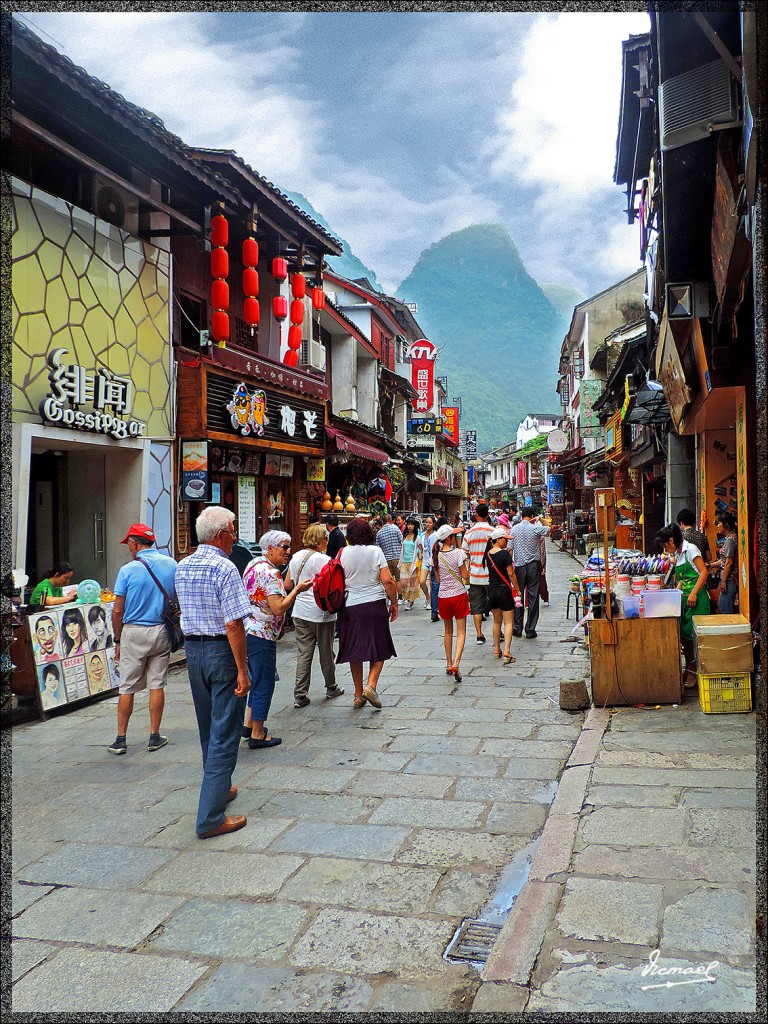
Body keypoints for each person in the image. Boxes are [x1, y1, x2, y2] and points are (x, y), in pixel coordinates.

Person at [175, 506, 252, 839]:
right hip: (221, 650)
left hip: (193, 651)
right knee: (225, 730)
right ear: (221, 535)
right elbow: (234, 623)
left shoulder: (183, 565)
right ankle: (210, 817)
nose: (234, 537)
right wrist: (242, 669)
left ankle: (219, 787)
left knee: (208, 725)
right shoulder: (225, 567)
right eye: (232, 530)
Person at [108, 523, 177, 756]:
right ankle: (154, 735)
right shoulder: (171, 564)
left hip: (134, 631)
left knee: (127, 686)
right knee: (157, 683)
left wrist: (117, 640)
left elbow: (117, 611)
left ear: (134, 543)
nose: (129, 548)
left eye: (129, 544)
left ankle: (121, 739)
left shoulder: (128, 570)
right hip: (161, 630)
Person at [242, 530, 314, 745]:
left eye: (289, 546)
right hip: (261, 633)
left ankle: (249, 725)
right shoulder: (272, 573)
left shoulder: (253, 564)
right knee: (264, 683)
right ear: (270, 548)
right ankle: (257, 734)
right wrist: (298, 590)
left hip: (248, 630)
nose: (288, 552)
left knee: (257, 679)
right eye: (284, 546)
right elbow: (278, 608)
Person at [338, 517, 399, 708]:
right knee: (379, 647)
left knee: (354, 650)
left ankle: (358, 695)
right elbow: (388, 580)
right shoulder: (375, 551)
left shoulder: (342, 553)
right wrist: (394, 602)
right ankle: (370, 685)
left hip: (350, 606)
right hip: (374, 604)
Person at [284, 523, 345, 709]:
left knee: (304, 653)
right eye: (325, 538)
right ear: (320, 541)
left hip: (300, 612)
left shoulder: (295, 557)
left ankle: (300, 694)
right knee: (326, 652)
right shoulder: (324, 560)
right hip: (321, 612)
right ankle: (331, 686)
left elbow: (288, 584)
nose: (327, 541)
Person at [657, 522, 710, 688]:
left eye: (666, 544)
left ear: (672, 540)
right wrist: (673, 593)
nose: (665, 549)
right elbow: (682, 579)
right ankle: (689, 667)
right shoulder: (679, 554)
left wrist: (693, 592)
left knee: (696, 639)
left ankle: (696, 671)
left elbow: (703, 572)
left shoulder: (691, 549)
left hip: (697, 600)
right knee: (686, 639)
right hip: (684, 601)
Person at [433, 524, 469, 681]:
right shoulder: (458, 554)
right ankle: (456, 663)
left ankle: (448, 663)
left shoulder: (435, 556)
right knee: (461, 632)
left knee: (448, 631)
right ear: (449, 538)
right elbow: (465, 576)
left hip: (443, 596)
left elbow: (439, 579)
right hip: (459, 595)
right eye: (454, 535)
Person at [510, 508, 550, 639]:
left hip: (519, 566)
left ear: (521, 515)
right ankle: (530, 629)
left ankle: (517, 627)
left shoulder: (514, 529)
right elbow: (549, 528)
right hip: (533, 566)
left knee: (518, 596)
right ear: (532, 516)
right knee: (533, 596)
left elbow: (510, 549)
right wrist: (540, 518)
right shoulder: (535, 528)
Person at [484, 528, 521, 664]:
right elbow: (511, 574)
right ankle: (507, 651)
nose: (507, 541)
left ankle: (496, 650)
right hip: (504, 590)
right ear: (498, 539)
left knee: (496, 621)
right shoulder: (505, 554)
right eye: (505, 539)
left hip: (492, 590)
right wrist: (517, 589)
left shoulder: (488, 554)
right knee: (508, 622)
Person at [461, 502, 494, 644]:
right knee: (495, 604)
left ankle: (479, 635)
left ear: (476, 515)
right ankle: (498, 630)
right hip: (491, 574)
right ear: (487, 515)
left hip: (475, 575)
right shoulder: (493, 532)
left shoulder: (469, 533)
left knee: (476, 606)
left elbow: (464, 554)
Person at [711, 512, 738, 614]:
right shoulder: (730, 538)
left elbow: (729, 562)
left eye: (719, 523)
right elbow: (724, 561)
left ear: (726, 524)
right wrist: (712, 565)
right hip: (729, 579)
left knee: (725, 609)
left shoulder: (730, 540)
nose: (717, 526)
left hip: (729, 580)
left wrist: (723, 581)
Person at [397, 518, 423, 609]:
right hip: (404, 562)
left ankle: (410, 601)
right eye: (408, 524)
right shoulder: (404, 536)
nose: (410, 526)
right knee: (403, 582)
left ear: (414, 526)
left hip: (413, 563)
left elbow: (421, 549)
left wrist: (420, 556)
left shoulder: (417, 537)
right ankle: (406, 597)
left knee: (412, 583)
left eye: (412, 525)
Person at [375, 512, 404, 584]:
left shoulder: (379, 533)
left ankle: (389, 595)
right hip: (397, 558)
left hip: (386, 560)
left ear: (382, 522)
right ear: (391, 520)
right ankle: (399, 595)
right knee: (398, 580)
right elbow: (402, 541)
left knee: (388, 580)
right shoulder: (396, 528)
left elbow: (378, 549)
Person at [419, 515, 438, 613]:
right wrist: (421, 553)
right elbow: (421, 548)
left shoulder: (435, 535)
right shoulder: (422, 535)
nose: (427, 524)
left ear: (434, 524)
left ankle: (433, 603)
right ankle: (428, 597)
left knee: (432, 583)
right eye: (426, 522)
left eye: (430, 522)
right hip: (425, 561)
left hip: (433, 562)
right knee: (422, 581)